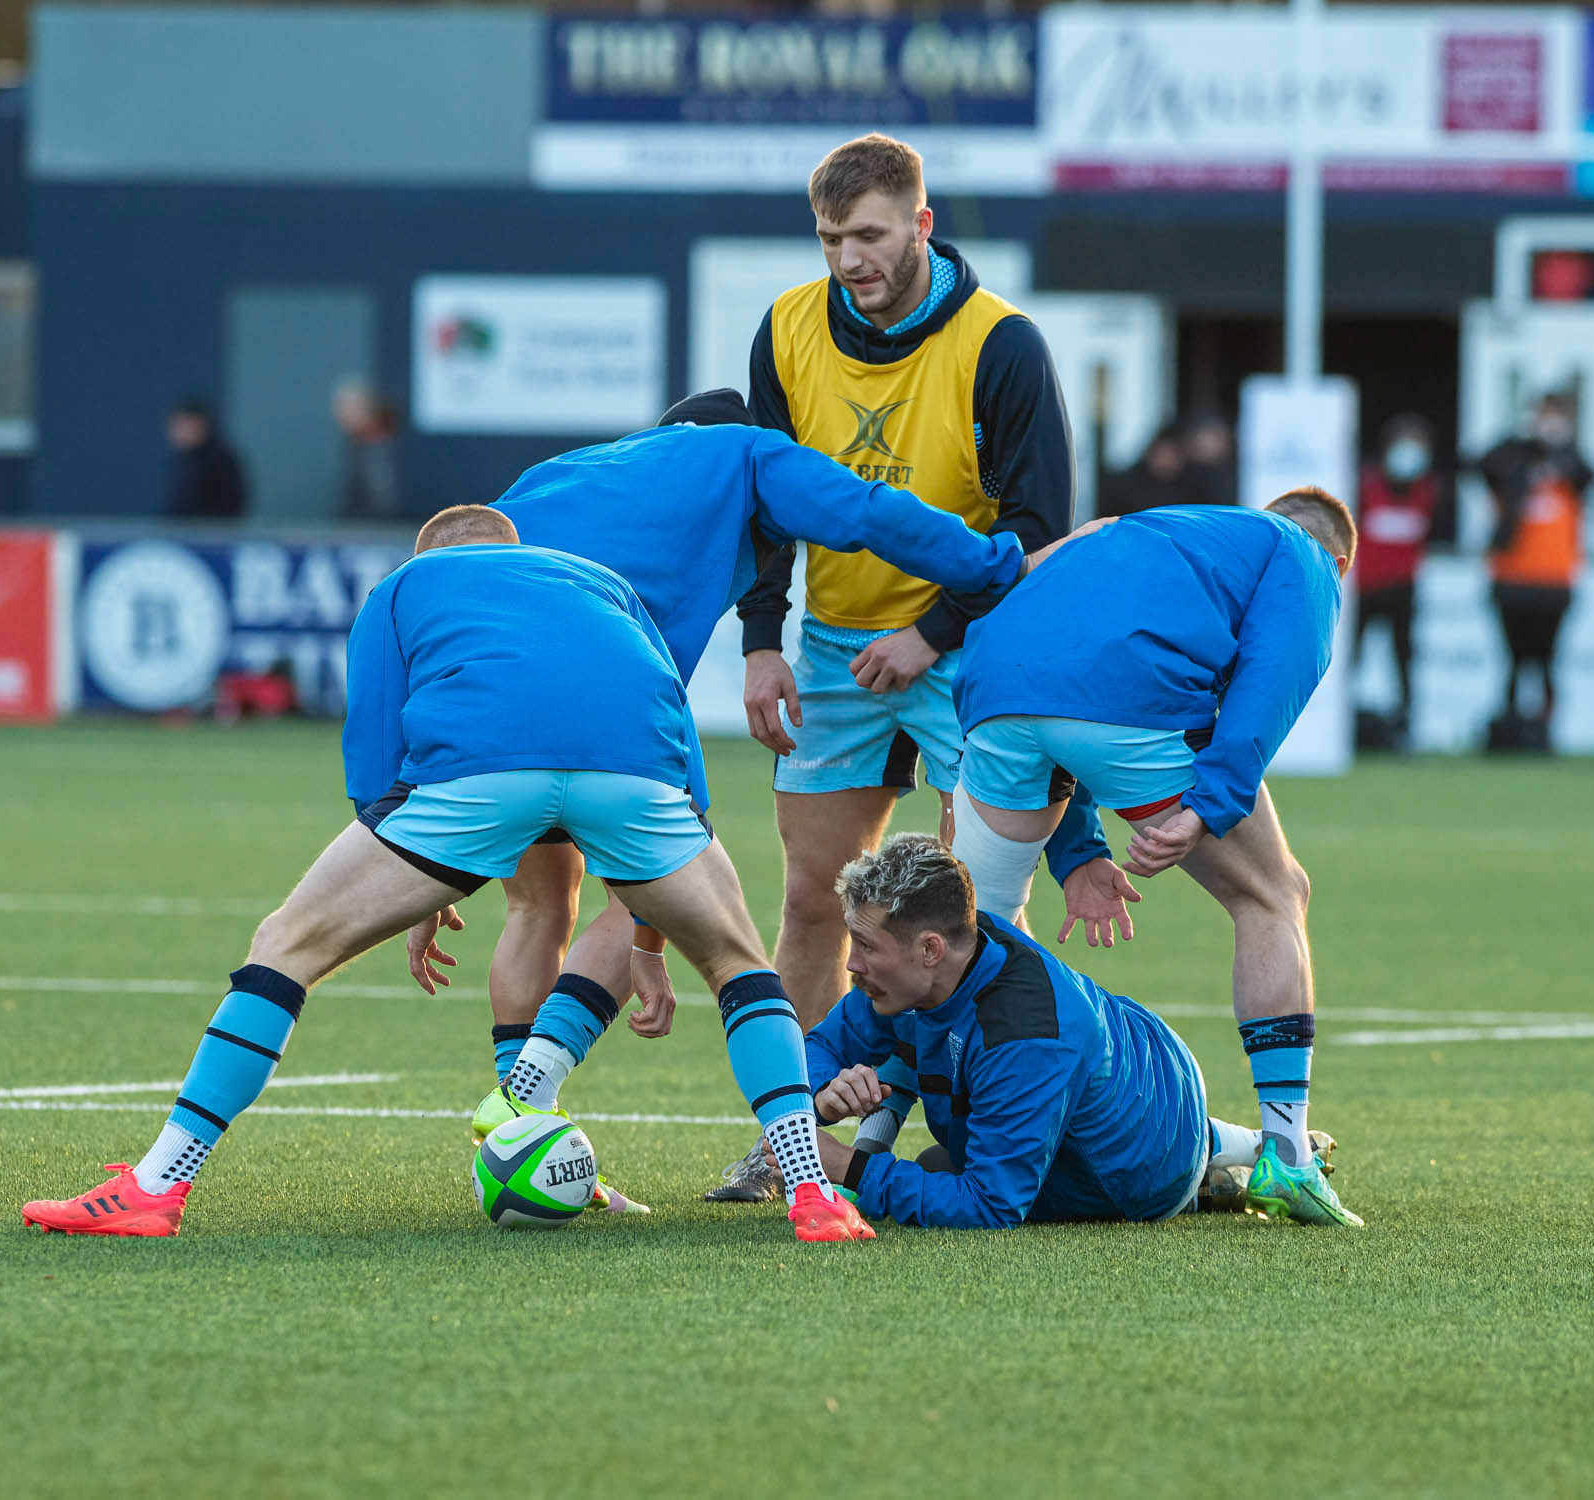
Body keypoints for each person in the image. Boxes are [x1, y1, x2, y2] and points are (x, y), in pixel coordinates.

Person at [21, 504, 875, 1245]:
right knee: (739, 966)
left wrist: (418, 885)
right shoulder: (599, 581)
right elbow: (673, 731)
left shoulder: (403, 587)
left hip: (479, 775)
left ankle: (157, 1186)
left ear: (428, 556)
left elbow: (374, 748)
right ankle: (811, 1191)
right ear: (512, 548)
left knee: (286, 944)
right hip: (641, 782)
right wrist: (652, 928)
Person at [453, 391, 1041, 1171]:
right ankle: (543, 1098)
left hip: (481, 702)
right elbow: (872, 513)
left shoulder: (564, 474)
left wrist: (423, 855)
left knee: (536, 906)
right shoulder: (744, 456)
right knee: (713, 928)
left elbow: (436, 592)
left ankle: (517, 1136)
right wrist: (996, 564)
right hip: (597, 706)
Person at [719, 131, 1076, 1198]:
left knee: (981, 917)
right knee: (810, 904)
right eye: (830, 239)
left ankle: (992, 1127)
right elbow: (762, 502)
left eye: (869, 235)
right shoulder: (787, 328)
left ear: (921, 224)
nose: (848, 259)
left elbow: (1037, 528)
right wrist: (761, 642)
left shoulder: (1001, 343)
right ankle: (795, 1149)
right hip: (833, 652)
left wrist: (931, 634)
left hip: (970, 651)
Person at [944, 488, 1364, 1226]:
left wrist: (1077, 851)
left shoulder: (1153, 527)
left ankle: (892, 1136)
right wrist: (1207, 807)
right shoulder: (1303, 556)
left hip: (990, 690)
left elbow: (1059, 663)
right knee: (1274, 894)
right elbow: (1268, 685)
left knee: (967, 934)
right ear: (1339, 564)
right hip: (1125, 706)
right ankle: (1288, 1153)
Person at [801, 835, 1350, 1228]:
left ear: (929, 949)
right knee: (914, 1063)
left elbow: (991, 1205)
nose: (852, 964)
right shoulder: (947, 955)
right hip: (1137, 1064)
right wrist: (825, 1093)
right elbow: (820, 1045)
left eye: (865, 946)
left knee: (943, 1168)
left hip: (1153, 1161)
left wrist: (850, 1165)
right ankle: (1255, 1145)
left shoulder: (1023, 1036)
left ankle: (1206, 1182)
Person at [1476, 393, 1593, 751]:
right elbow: (1483, 464)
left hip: (1555, 581)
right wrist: (1523, 440)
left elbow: (1591, 476)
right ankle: (1511, 728)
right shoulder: (1512, 467)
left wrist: (1560, 446)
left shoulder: (1570, 470)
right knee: (1513, 660)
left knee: (1547, 660)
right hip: (1511, 579)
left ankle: (1544, 731)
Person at [1353, 414, 1442, 744]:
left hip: (1404, 589)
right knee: (1351, 657)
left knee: (1403, 658)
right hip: (1365, 589)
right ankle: (1342, 722)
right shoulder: (1365, 487)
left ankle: (1404, 725)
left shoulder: (1428, 491)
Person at [1099, 423, 1212, 517]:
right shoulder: (1125, 486)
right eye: (1163, 453)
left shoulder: (1195, 485)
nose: (1167, 459)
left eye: (1172, 454)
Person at [166, 400, 247, 519]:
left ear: (203, 426)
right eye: (176, 426)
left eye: (186, 426)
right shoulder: (182, 460)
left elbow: (230, 505)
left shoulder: (220, 461)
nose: (180, 433)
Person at [335, 380, 402, 520]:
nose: (340, 414)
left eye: (347, 406)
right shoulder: (355, 446)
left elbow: (384, 503)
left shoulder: (381, 448)